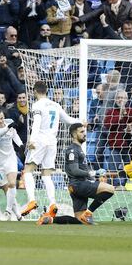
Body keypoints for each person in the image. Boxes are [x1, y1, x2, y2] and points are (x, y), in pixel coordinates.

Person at [21, 81, 80, 217]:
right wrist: (81, 121)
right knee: (46, 174)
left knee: (28, 170)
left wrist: (32, 140)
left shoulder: (37, 105)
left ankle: (31, 201)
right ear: (47, 91)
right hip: (52, 142)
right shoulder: (56, 105)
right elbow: (68, 120)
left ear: (35, 91)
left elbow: (36, 124)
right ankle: (53, 203)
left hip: (40, 140)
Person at [65, 123, 115, 225]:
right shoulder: (73, 150)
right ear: (74, 135)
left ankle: (51, 219)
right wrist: (94, 172)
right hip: (78, 184)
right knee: (110, 189)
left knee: (80, 220)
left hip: (75, 186)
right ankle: (88, 213)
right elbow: (75, 171)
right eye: (82, 132)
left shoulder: (78, 149)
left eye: (85, 131)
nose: (85, 134)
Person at [0, 107, 24, 221]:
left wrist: (21, 145)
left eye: (2, 118)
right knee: (6, 189)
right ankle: (18, 215)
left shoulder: (9, 123)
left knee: (12, 183)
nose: (1, 121)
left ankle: (7, 211)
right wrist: (9, 126)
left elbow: (14, 135)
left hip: (10, 158)